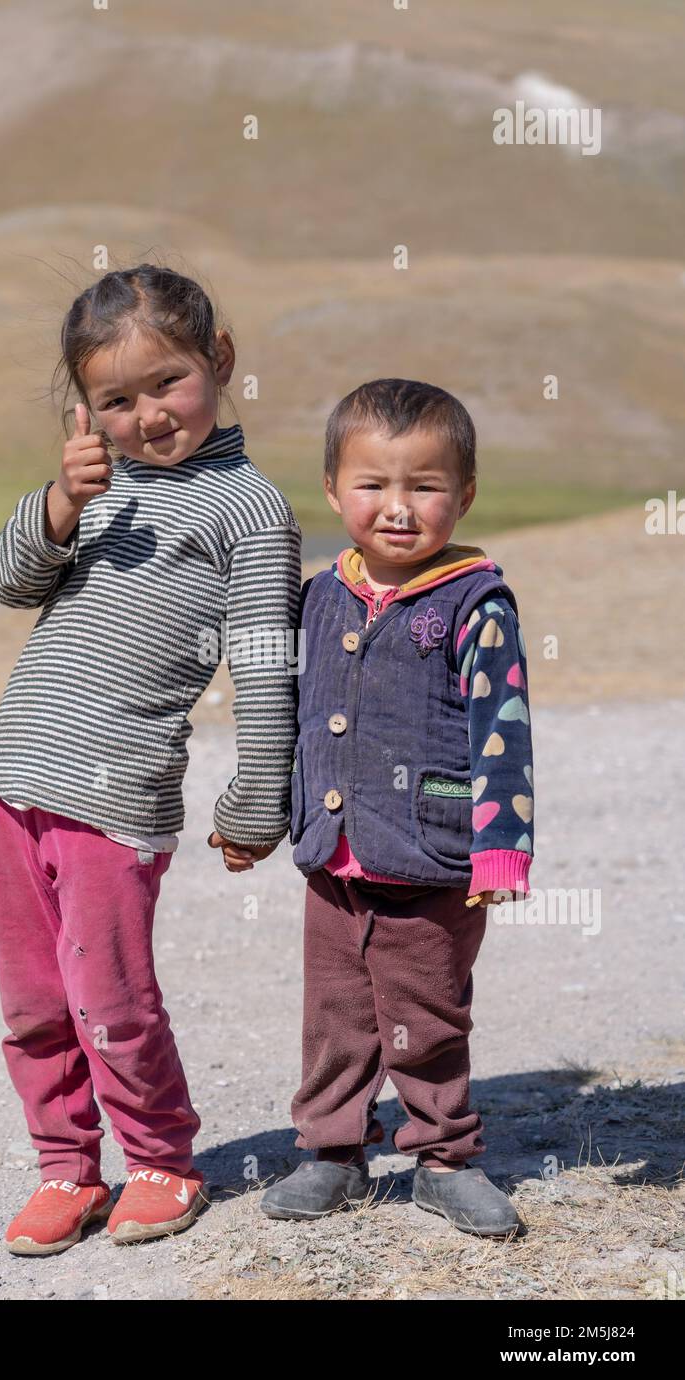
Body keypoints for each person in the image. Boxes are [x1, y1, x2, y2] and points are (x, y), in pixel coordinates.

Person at [0, 263, 300, 1253]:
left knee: (107, 997)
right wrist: (58, 505)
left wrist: (255, 799)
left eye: (167, 382)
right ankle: (66, 1171)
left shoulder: (247, 510)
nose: (148, 414)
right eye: (116, 400)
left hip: (116, 794)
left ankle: (160, 1158)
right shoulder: (96, 487)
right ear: (85, 411)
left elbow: (262, 664)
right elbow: (6, 582)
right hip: (11, 777)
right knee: (33, 1003)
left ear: (219, 361)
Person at [256, 378, 534, 1238]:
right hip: (333, 858)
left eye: (426, 486)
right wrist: (261, 817)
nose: (399, 508)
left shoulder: (474, 604)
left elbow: (504, 731)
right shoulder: (318, 594)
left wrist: (502, 851)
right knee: (335, 1013)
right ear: (335, 490)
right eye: (373, 485)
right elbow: (287, 715)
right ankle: (333, 1152)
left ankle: (446, 1156)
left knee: (426, 1014)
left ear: (466, 494)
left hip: (433, 855)